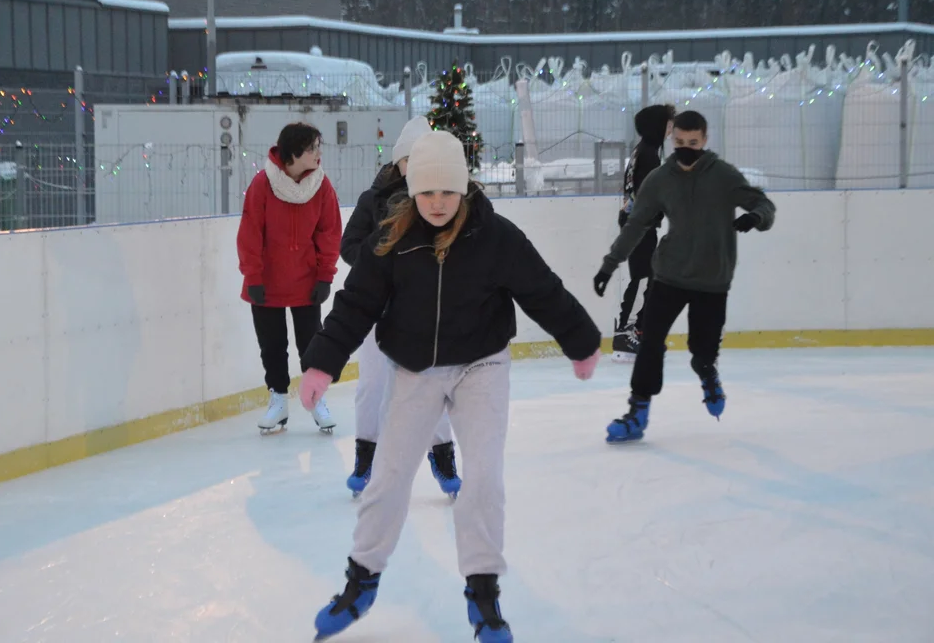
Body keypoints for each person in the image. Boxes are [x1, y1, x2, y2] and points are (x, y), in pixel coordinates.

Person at [296, 131, 602, 642]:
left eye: (447, 191)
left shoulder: (495, 235)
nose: (437, 203)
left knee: (483, 477)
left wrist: (580, 340)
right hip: (415, 370)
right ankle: (361, 580)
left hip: (481, 365)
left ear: (464, 188)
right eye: (427, 192)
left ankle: (483, 595)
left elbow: (542, 290)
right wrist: (321, 364)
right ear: (412, 190)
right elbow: (356, 303)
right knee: (389, 477)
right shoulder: (393, 237)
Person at [592, 110, 776, 443]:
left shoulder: (724, 176)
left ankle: (707, 372)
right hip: (670, 274)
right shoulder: (660, 179)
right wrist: (610, 264)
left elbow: (763, 204)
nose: (686, 148)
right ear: (672, 138)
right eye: (679, 142)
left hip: (712, 278)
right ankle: (638, 412)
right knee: (649, 342)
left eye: (693, 142)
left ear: (704, 140)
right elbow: (636, 225)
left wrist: (756, 217)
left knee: (701, 352)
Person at [339, 115, 461, 499]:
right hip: (378, 310)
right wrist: (382, 260)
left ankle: (442, 459)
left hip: (425, 312)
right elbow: (349, 246)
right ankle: (365, 456)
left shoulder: (442, 201)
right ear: (399, 162)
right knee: (371, 387)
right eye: (412, 160)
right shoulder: (373, 200)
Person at [236, 122, 342, 434]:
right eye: (312, 148)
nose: (318, 154)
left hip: (306, 281)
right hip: (266, 283)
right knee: (272, 345)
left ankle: (316, 400)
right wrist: (252, 275)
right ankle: (278, 402)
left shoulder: (321, 186)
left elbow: (329, 232)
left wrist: (325, 275)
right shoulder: (262, 185)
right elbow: (250, 233)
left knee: (311, 345)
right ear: (294, 153)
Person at [611, 104, 675, 362]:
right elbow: (648, 192)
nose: (671, 129)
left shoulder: (643, 150)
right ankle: (628, 334)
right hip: (640, 224)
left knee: (647, 276)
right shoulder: (649, 154)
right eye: (669, 124)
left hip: (636, 222)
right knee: (643, 277)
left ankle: (636, 330)